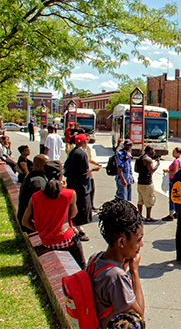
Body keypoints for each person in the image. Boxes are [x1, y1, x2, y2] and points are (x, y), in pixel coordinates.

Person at [88, 199, 145, 329]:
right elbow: (138, 316)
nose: (141, 244)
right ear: (121, 242)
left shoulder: (95, 258)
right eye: (138, 240)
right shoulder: (116, 278)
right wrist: (134, 272)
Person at [22, 161, 86, 269]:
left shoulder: (35, 196)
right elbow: (73, 214)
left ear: (45, 175)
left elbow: (25, 222)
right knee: (82, 265)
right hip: (65, 240)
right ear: (61, 176)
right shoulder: (69, 193)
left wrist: (40, 229)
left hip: (46, 240)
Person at [66, 133, 100, 241]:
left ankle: (76, 227)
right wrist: (94, 169)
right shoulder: (82, 154)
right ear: (85, 142)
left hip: (72, 183)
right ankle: (79, 230)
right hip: (81, 186)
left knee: (74, 207)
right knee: (81, 210)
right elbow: (84, 172)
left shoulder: (72, 152)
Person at [17, 154, 49, 233]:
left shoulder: (31, 175)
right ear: (36, 165)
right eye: (46, 165)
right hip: (30, 224)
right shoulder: (38, 182)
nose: (48, 167)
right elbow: (42, 206)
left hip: (25, 219)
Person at [134, 145, 160, 223]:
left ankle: (140, 215)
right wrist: (157, 164)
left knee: (140, 200)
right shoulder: (148, 160)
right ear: (150, 150)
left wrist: (142, 172)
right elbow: (151, 170)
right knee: (149, 200)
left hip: (140, 182)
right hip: (147, 182)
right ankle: (148, 217)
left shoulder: (139, 159)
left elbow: (136, 170)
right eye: (153, 150)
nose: (154, 152)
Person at [161, 147, 181, 221]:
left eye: (174, 152)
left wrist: (167, 171)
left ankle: (171, 214)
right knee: (176, 197)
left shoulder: (176, 161)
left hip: (173, 180)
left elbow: (175, 171)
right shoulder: (180, 160)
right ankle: (176, 212)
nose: (173, 154)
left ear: (178, 153)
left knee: (172, 197)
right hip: (177, 180)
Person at [83, 142, 101, 211]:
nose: (86, 141)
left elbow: (89, 159)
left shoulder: (87, 148)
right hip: (85, 171)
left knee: (92, 189)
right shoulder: (79, 150)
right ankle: (87, 205)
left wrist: (96, 163)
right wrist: (93, 169)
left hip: (89, 172)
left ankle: (91, 204)